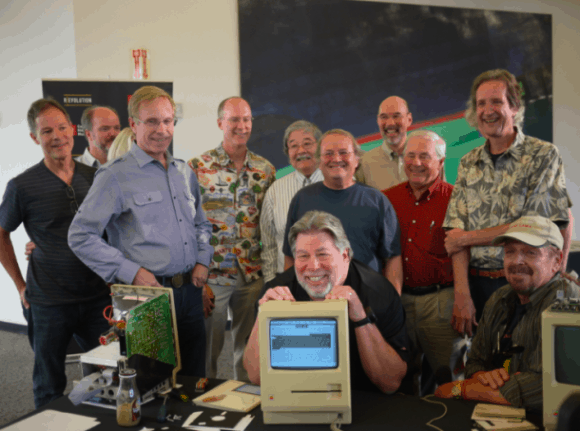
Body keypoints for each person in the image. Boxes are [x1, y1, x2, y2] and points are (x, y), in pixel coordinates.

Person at [68, 86, 212, 377]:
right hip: (145, 297)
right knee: (150, 383)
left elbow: (202, 224)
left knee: (194, 379)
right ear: (133, 125)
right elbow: (80, 236)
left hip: (190, 294)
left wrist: (203, 259)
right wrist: (131, 271)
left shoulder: (184, 171)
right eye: (152, 122)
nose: (162, 130)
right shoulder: (114, 176)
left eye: (168, 121)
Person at [0, 99, 110, 408]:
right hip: (48, 302)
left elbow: (112, 230)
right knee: (49, 384)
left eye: (62, 127)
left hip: (97, 299)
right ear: (36, 138)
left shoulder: (96, 177)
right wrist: (21, 286)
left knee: (109, 373)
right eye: (47, 131)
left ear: (73, 131)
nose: (57, 136)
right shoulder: (21, 186)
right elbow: (1, 234)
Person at [443, 69, 572, 323]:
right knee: (485, 361)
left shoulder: (543, 155)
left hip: (527, 284)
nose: (488, 110)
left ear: (514, 107)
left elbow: (532, 228)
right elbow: (454, 234)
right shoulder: (468, 163)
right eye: (481, 103)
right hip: (478, 286)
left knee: (528, 360)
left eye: (496, 102)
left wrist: (467, 238)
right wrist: (462, 294)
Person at [244, 211, 409, 393]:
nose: (313, 266)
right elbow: (256, 377)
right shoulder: (277, 290)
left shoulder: (379, 292)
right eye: (303, 256)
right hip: (296, 396)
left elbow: (391, 383)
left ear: (345, 255)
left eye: (323, 254)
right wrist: (264, 316)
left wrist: (361, 319)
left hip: (363, 399)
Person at [435, 216, 580, 411]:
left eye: (530, 252)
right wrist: (482, 377)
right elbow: (475, 362)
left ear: (556, 261)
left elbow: (544, 388)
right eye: (510, 251)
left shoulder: (568, 302)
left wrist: (461, 389)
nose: (517, 261)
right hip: (496, 411)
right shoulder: (500, 297)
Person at [188, 97, 276, 381]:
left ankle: (246, 402)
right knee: (207, 352)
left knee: (250, 349)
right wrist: (195, 278)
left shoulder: (265, 170)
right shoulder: (197, 167)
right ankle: (204, 404)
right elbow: (186, 226)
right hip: (212, 276)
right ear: (219, 124)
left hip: (251, 275)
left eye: (247, 119)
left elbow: (269, 223)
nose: (242, 126)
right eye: (234, 120)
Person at [383, 130, 466, 395]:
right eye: (410, 155)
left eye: (424, 156)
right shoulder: (386, 199)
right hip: (400, 301)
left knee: (450, 378)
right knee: (403, 378)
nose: (415, 162)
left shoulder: (456, 199)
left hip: (441, 302)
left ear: (441, 163)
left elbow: (462, 252)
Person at [282, 129, 402, 293]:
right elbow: (290, 256)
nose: (336, 159)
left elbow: (393, 258)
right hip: (315, 304)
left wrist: (391, 303)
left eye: (344, 153)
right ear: (319, 160)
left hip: (367, 303)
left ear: (357, 159)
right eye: (328, 153)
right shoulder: (302, 199)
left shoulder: (377, 201)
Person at [261, 120, 324, 283]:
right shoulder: (275, 191)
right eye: (294, 146)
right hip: (288, 281)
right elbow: (268, 245)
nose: (301, 151)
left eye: (307, 143)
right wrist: (271, 282)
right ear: (287, 152)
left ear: (320, 146)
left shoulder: (339, 183)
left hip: (332, 281)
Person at [355, 96, 412, 190]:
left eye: (396, 116)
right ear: (378, 121)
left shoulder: (428, 156)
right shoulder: (364, 165)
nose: (390, 123)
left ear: (409, 119)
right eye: (384, 117)